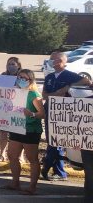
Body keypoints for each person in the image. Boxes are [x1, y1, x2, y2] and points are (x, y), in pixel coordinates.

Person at [41, 51, 91, 181]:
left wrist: (69, 87)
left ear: (63, 62)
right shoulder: (49, 77)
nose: (52, 62)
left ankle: (51, 168)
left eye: (55, 60)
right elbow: (44, 95)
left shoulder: (69, 75)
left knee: (57, 142)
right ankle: (56, 169)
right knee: (51, 141)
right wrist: (58, 93)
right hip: (49, 111)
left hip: (64, 115)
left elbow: (87, 81)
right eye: (51, 60)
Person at [1, 69, 44, 195]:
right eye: (20, 77)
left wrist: (31, 114)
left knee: (32, 159)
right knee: (12, 156)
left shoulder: (34, 94)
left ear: (31, 80)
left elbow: (42, 114)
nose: (21, 80)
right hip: (16, 127)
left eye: (25, 78)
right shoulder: (14, 92)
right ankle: (15, 183)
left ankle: (32, 186)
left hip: (30, 130)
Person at [0, 57, 22, 162]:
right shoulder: (3, 76)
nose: (10, 66)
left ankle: (20, 156)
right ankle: (2, 154)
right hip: (4, 107)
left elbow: (26, 90)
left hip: (18, 108)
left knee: (18, 133)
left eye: (13, 64)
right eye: (9, 64)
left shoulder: (23, 76)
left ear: (18, 65)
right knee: (3, 132)